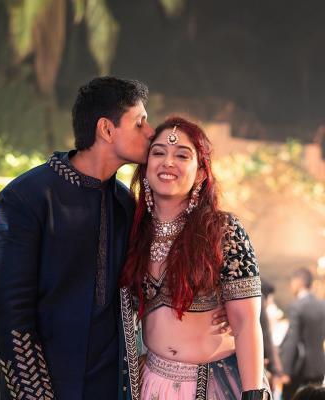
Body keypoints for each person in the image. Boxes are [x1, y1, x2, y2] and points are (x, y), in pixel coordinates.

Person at [0, 76, 229, 400]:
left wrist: (219, 303)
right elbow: (10, 314)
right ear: (106, 129)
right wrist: (35, 394)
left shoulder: (125, 203)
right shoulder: (25, 199)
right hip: (47, 386)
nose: (150, 132)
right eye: (139, 122)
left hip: (114, 386)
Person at [120, 116, 272, 399]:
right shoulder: (133, 230)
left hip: (215, 384)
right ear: (146, 165)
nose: (168, 162)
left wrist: (253, 393)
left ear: (200, 173)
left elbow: (246, 323)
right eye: (158, 153)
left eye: (182, 155)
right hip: (150, 382)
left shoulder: (223, 231)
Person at [280, 267, 325, 400]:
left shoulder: (297, 306)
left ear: (298, 282)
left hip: (299, 367)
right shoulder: (322, 305)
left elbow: (292, 340)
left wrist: (286, 371)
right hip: (319, 365)